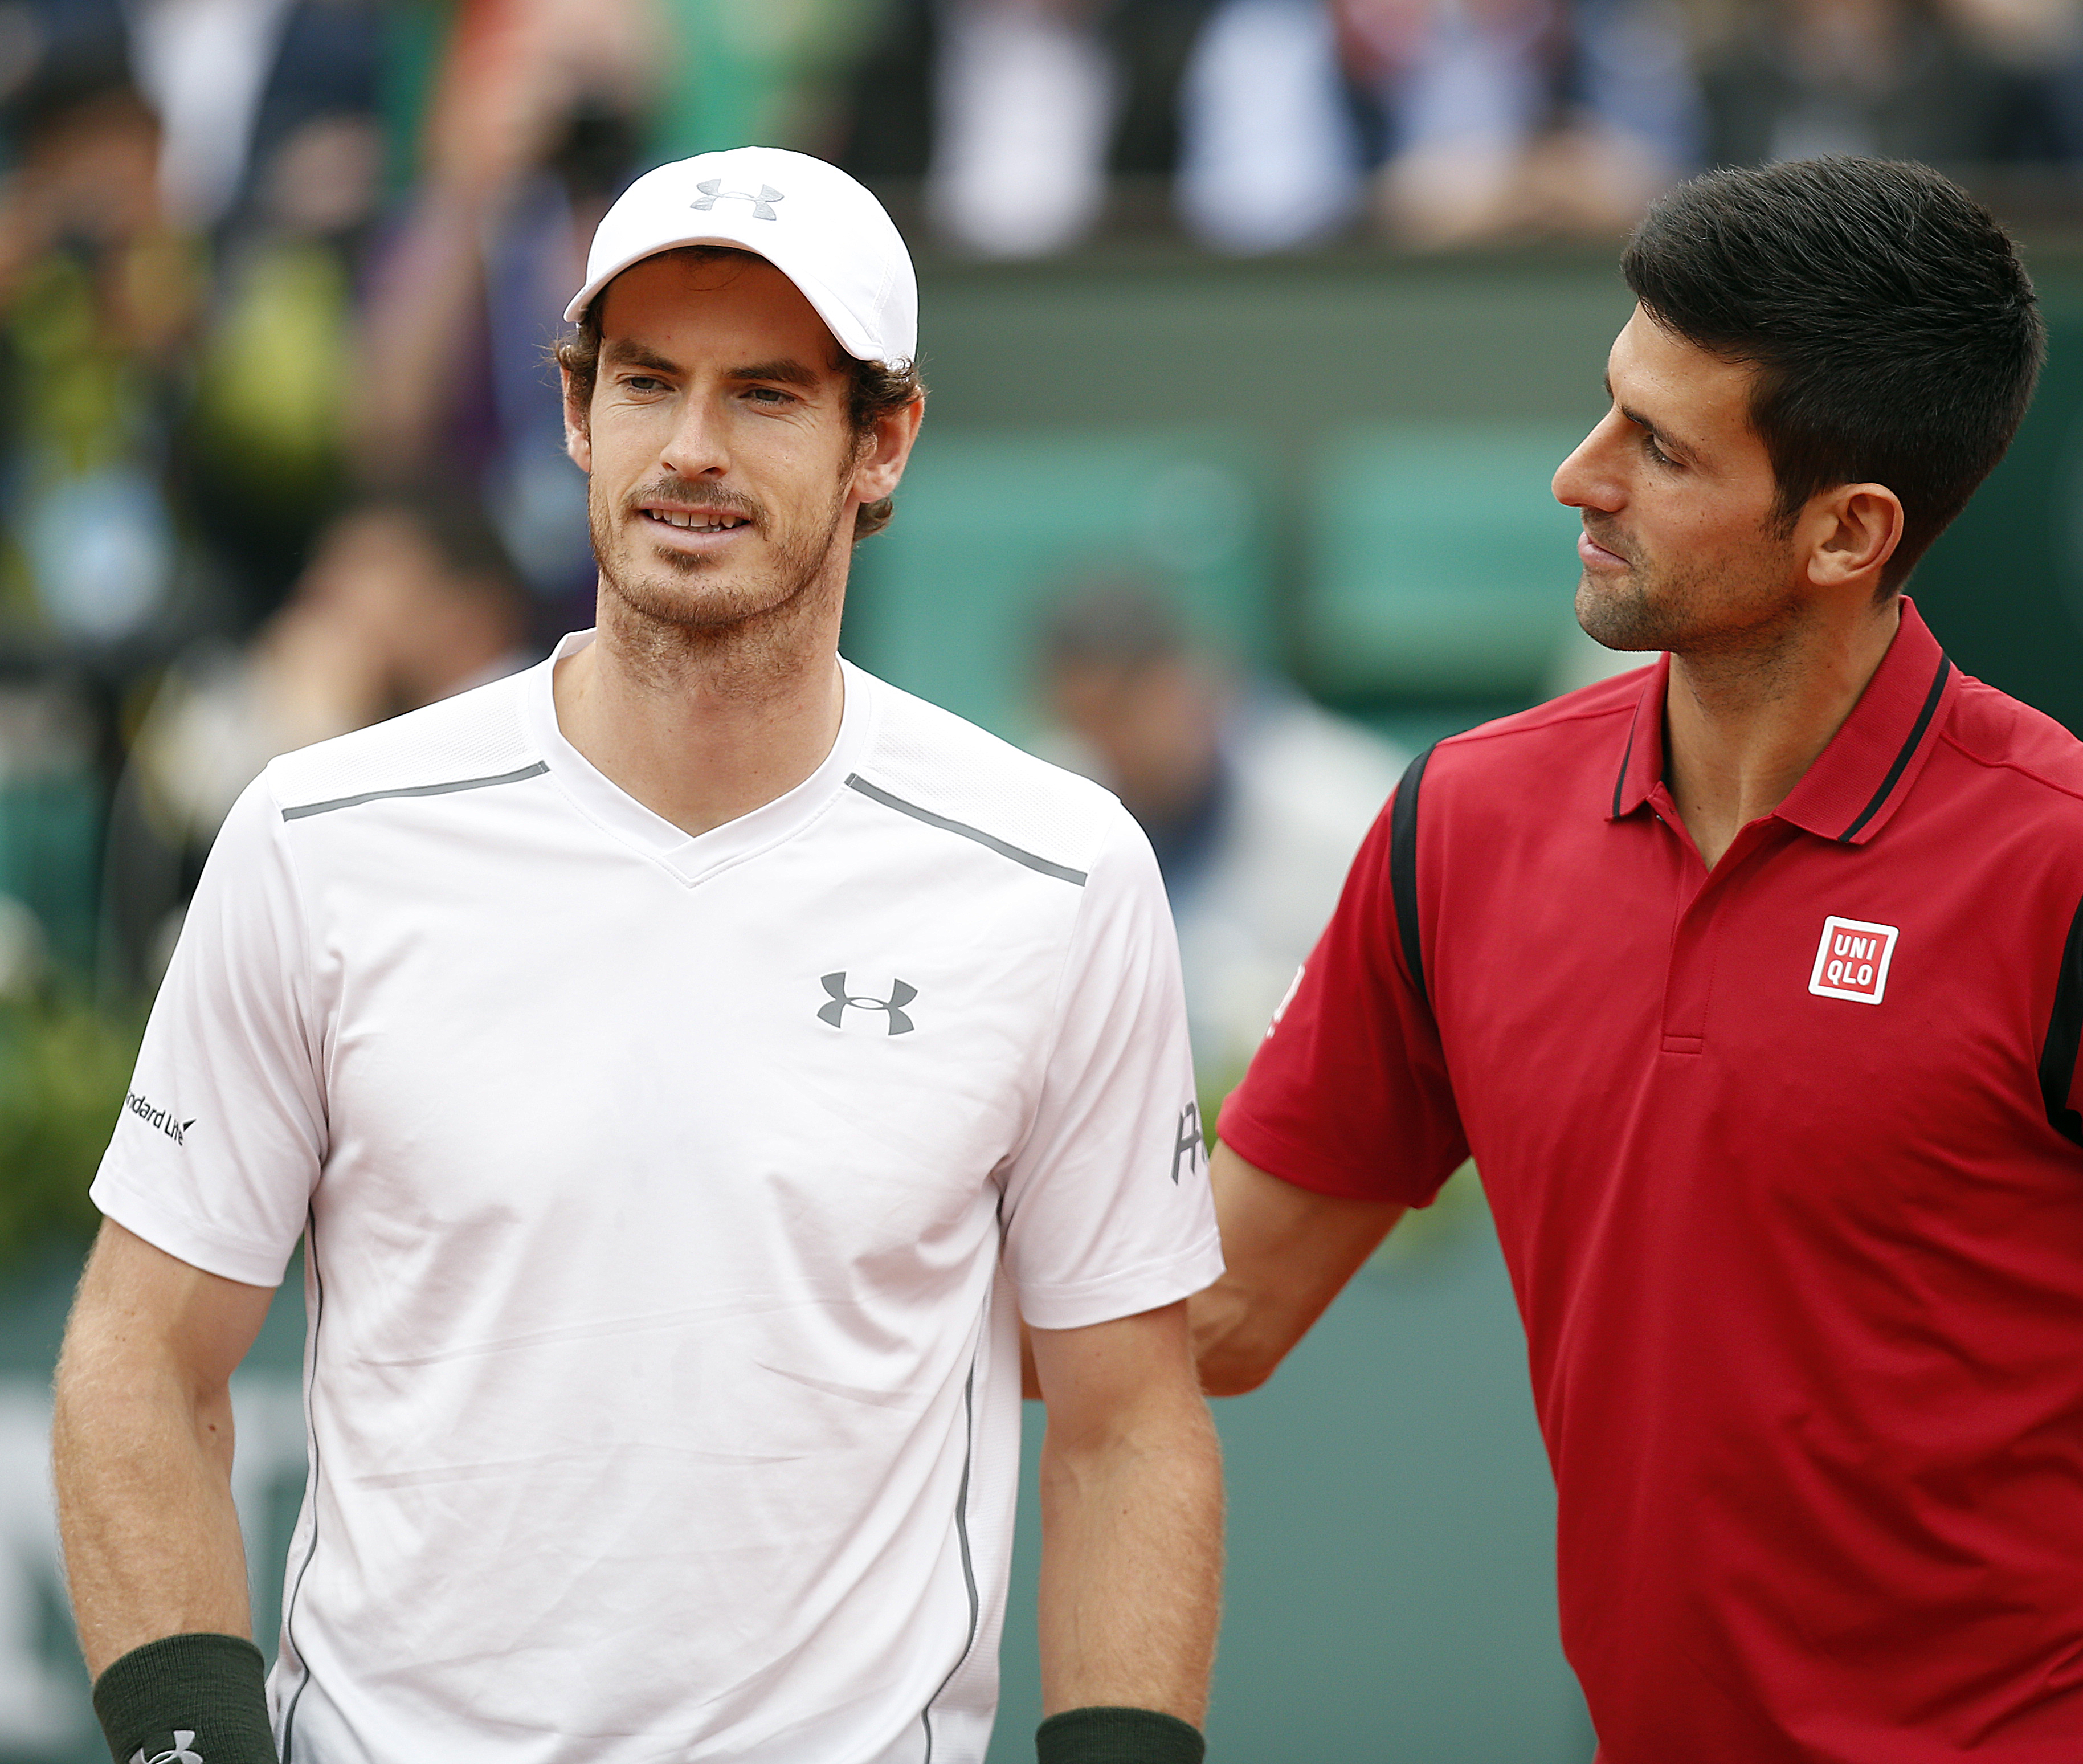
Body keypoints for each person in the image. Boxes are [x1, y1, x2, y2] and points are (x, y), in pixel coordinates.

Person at [1192, 156, 2083, 1763]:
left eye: (1658, 448)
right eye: (1604, 407)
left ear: (1846, 532)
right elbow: (1216, 1314)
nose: (1576, 478)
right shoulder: (1455, 828)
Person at [53, 146, 1223, 1764]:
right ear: (574, 413)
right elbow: (137, 1358)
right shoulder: (318, 835)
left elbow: (1126, 1424)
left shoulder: (1059, 872)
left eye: (763, 395)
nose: (689, 450)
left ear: (883, 441)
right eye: (647, 381)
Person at [1034, 577, 1404, 1077]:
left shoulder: (1346, 810)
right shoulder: (1054, 794)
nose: (1103, 745)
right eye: (1081, 722)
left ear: (1183, 681)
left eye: (1118, 714)